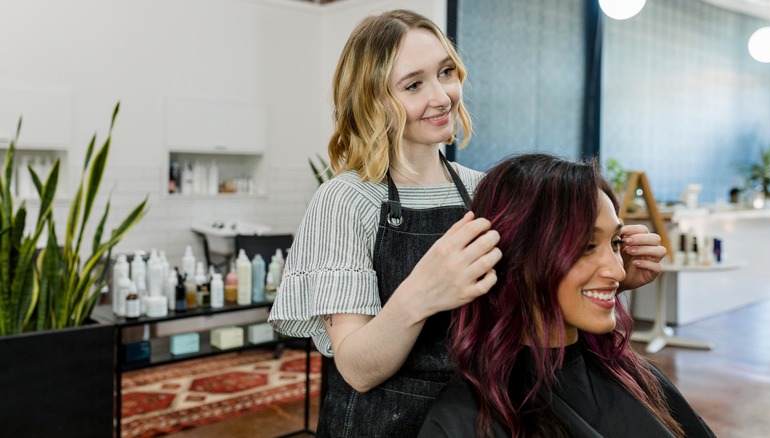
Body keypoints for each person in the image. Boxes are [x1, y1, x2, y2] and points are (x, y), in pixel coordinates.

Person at [268, 9, 666, 437]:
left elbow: (529, 303)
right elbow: (357, 370)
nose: (441, 96)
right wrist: (421, 293)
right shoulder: (345, 201)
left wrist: (608, 276)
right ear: (371, 98)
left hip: (482, 417)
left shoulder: (485, 191)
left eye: (446, 72)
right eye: (413, 84)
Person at [419, 154, 714, 438]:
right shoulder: (463, 419)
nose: (619, 271)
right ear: (517, 255)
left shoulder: (633, 376)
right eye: (586, 246)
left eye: (614, 243)